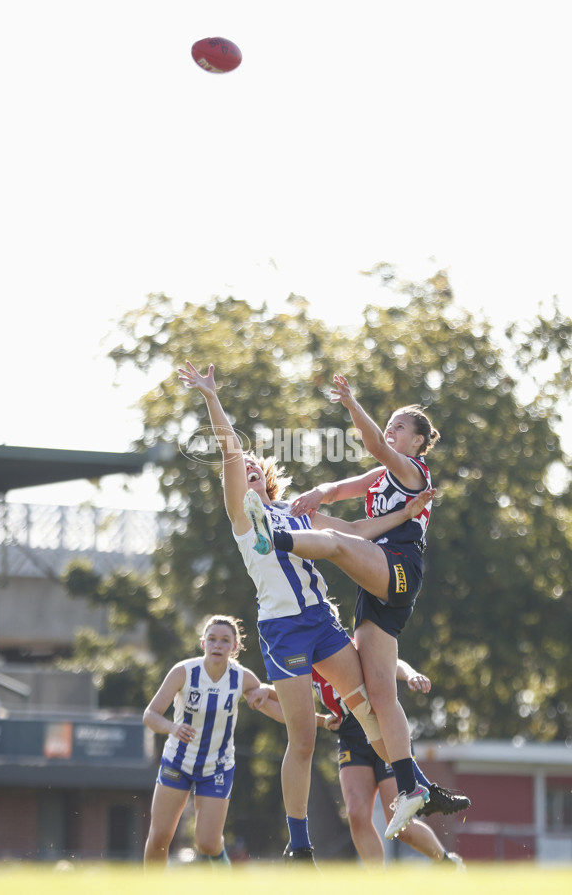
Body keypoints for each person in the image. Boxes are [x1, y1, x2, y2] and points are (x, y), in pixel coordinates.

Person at [178, 360, 434, 862]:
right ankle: (300, 844)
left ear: (267, 485)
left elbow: (355, 534)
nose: (246, 473)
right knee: (303, 739)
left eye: (255, 472)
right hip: (281, 631)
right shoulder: (241, 519)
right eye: (242, 474)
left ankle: (414, 787)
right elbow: (231, 451)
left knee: (367, 705)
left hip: (322, 620)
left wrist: (406, 514)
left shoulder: (295, 512)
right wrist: (212, 397)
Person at [244, 373, 441, 839]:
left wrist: (352, 402)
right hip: (375, 579)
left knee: (330, 541)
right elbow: (340, 497)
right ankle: (413, 785)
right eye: (388, 425)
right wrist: (314, 498)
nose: (390, 431)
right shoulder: (381, 478)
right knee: (379, 693)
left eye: (398, 428)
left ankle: (275, 538)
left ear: (416, 442)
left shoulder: (413, 473)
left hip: (397, 567)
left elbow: (374, 448)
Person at [143, 613, 282, 866]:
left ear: (235, 647)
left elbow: (280, 699)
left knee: (207, 843)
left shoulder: (241, 677)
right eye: (213, 639)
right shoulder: (183, 672)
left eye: (225, 640)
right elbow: (150, 715)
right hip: (177, 762)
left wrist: (266, 689)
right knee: (160, 836)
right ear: (204, 643)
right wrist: (172, 727)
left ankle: (223, 873)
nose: (218, 645)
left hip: (217, 767)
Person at [313, 658, 467, 867]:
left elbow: (386, 660)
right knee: (356, 814)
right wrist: (259, 690)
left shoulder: (343, 645)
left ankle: (447, 863)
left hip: (386, 734)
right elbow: (286, 692)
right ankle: (378, 884)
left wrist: (410, 673)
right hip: (351, 741)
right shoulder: (302, 659)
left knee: (403, 826)